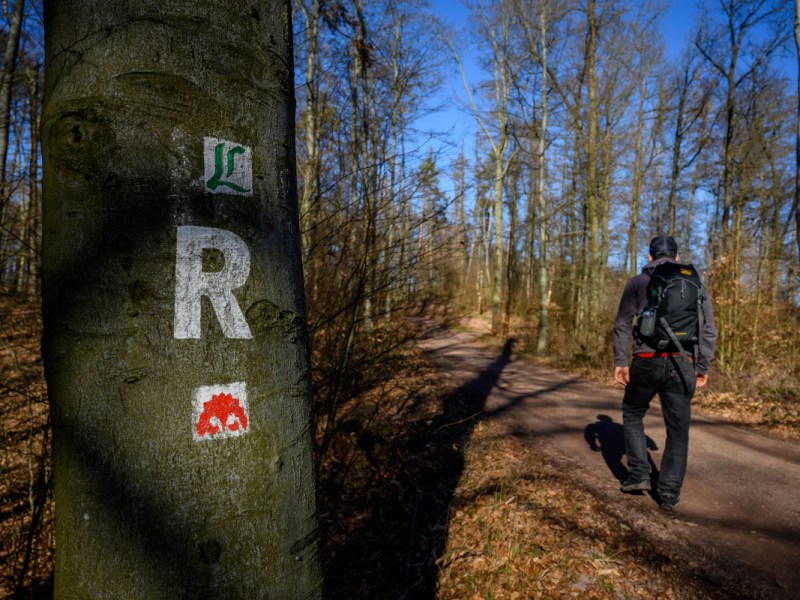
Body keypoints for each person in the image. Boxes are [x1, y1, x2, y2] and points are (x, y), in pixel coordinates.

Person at [612, 236, 718, 513]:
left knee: (633, 413)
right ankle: (669, 494)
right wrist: (702, 366)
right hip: (682, 363)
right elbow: (708, 331)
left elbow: (623, 323)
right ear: (677, 256)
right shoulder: (695, 285)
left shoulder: (637, 282)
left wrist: (621, 360)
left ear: (649, 257)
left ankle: (638, 477)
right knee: (678, 430)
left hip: (645, 360)